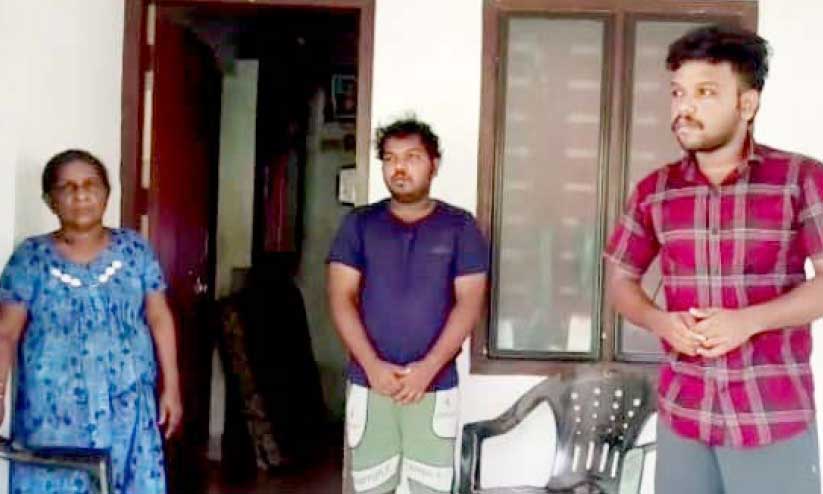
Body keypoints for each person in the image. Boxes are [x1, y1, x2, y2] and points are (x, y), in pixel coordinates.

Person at [604, 25, 823, 493]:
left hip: (770, 417)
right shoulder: (655, 191)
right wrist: (660, 321)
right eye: (678, 92)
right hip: (684, 414)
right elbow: (620, 280)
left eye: (705, 92)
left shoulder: (801, 179)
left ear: (747, 104)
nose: (685, 107)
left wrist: (750, 321)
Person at [0, 149, 183, 494]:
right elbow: (6, 333)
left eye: (90, 185)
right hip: (54, 413)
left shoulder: (135, 250)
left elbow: (159, 316)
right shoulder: (30, 258)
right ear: (50, 200)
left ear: (106, 194)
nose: (80, 194)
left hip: (127, 407)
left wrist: (171, 386)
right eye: (67, 187)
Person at [327, 118, 488, 493]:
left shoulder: (460, 227)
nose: (399, 168)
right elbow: (340, 298)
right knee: (370, 488)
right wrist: (373, 366)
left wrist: (427, 369)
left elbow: (469, 303)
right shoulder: (359, 225)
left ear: (434, 165)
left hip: (434, 386)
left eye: (412, 157)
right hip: (370, 384)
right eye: (390, 158)